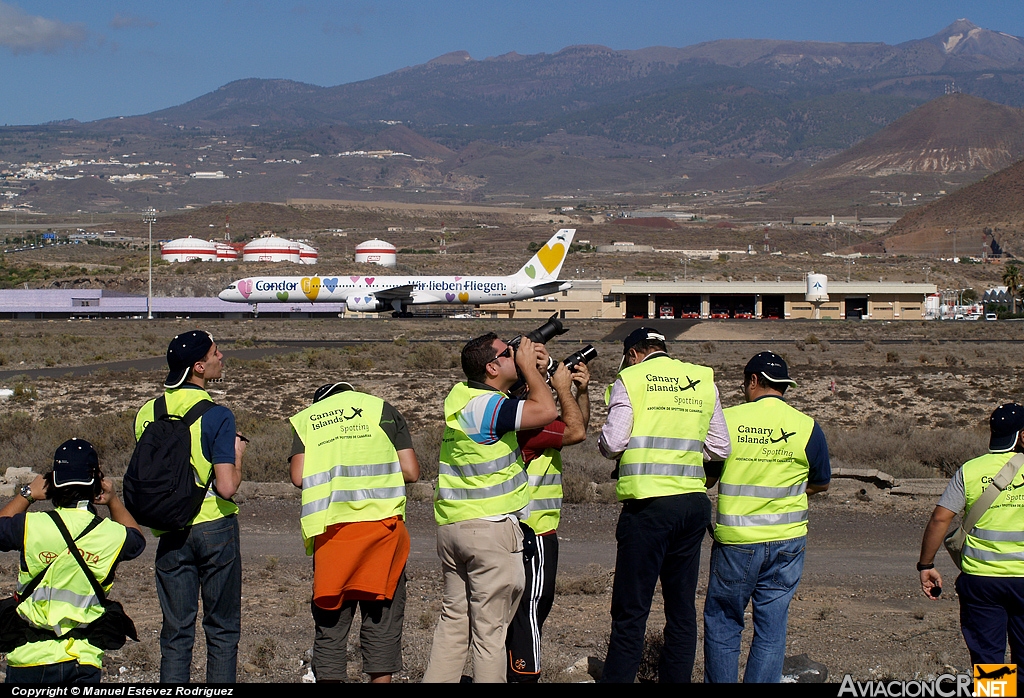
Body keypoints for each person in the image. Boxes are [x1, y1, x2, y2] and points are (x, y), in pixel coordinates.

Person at [597, 327, 730, 683]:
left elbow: (612, 442)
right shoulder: (703, 379)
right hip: (692, 505)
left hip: (648, 506)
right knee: (681, 609)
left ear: (633, 354)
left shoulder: (632, 378)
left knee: (631, 611)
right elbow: (720, 448)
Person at [422, 332, 557, 683]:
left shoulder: (466, 401)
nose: (515, 354)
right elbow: (547, 411)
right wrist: (531, 370)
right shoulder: (488, 407)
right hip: (490, 532)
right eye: (507, 353)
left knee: (454, 626)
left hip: (454, 528)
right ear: (492, 367)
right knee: (490, 635)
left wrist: (532, 368)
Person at [702, 351, 831, 683]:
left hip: (737, 543)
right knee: (772, 628)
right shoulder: (807, 427)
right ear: (784, 386)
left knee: (724, 623)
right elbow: (820, 483)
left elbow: (708, 477)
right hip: (788, 544)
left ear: (753, 381)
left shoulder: (727, 421)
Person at [289, 381, 420, 683]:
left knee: (331, 628)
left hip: (333, 537)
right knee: (382, 623)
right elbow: (411, 471)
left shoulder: (309, 418)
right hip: (383, 535)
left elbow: (298, 476)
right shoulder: (383, 410)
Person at [134, 330, 246, 683]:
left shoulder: (145, 414)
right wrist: (238, 455)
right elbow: (227, 487)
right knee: (222, 629)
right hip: (215, 527)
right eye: (216, 353)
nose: (221, 356)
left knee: (176, 633)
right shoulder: (218, 416)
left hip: (169, 529)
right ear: (199, 367)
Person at [0, 439, 145, 684]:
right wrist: (114, 501)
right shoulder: (112, 535)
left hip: (29, 658)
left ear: (51, 481)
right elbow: (137, 540)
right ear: (96, 483)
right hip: (83, 659)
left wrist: (27, 494)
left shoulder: (31, 526)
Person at [506, 350, 591, 682]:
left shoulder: (520, 417)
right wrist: (562, 389)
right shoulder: (529, 424)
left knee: (522, 611)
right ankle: (525, 675)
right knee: (531, 609)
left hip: (531, 528)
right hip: (534, 531)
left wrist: (578, 392)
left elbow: (575, 426)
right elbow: (575, 432)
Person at [918, 403, 1024, 665]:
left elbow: (941, 518)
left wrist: (926, 564)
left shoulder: (970, 470)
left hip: (981, 582)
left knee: (989, 659)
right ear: (1022, 436)